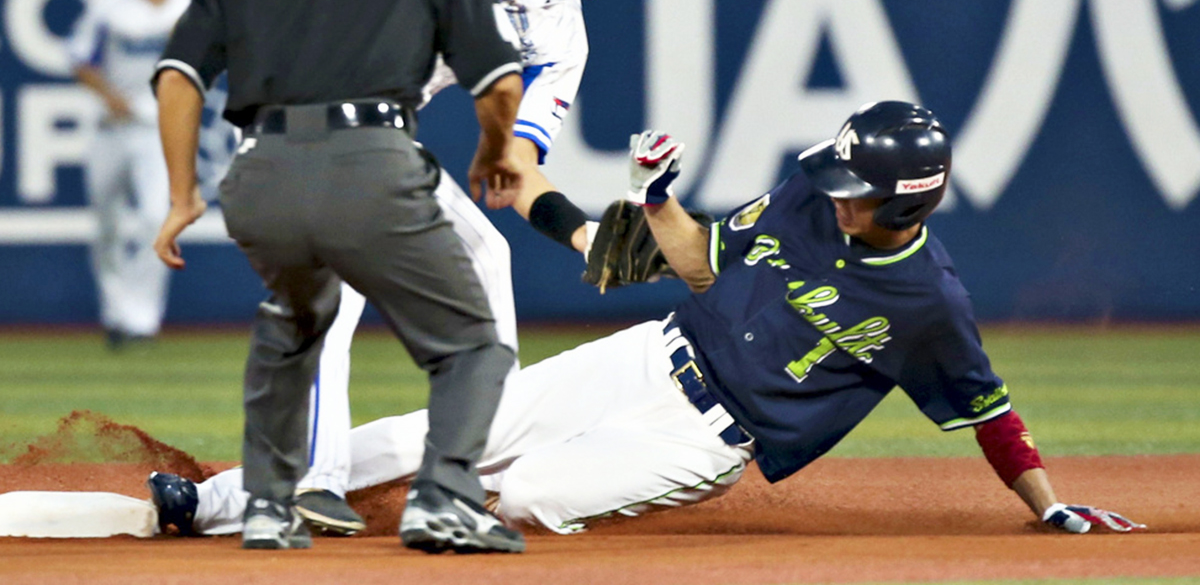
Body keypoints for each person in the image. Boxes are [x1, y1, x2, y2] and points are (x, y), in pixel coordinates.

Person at [152, 101, 1142, 538]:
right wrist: (660, 198)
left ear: (908, 205)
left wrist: (1047, 503)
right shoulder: (808, 189)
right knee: (436, 430)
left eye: (859, 191)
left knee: (518, 495)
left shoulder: (930, 304)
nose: (838, 196)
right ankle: (222, 502)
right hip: (647, 355)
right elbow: (707, 267)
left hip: (708, 435)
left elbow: (989, 412)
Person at [250, 0, 695, 536]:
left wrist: (582, 236)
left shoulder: (562, 35)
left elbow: (518, 168)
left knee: (486, 256)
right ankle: (307, 478)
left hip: (383, 131)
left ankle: (476, 469)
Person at [151, 0, 528, 554]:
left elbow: (178, 78)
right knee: (472, 347)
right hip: (370, 162)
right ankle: (447, 498)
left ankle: (266, 505)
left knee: (290, 328)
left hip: (261, 174)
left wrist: (180, 196)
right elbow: (501, 81)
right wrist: (494, 148)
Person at [66, 0, 191, 349]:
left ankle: (140, 319)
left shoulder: (187, 6)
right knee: (107, 226)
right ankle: (116, 313)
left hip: (159, 131)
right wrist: (111, 97)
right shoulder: (111, 4)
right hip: (111, 127)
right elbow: (79, 58)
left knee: (158, 218)